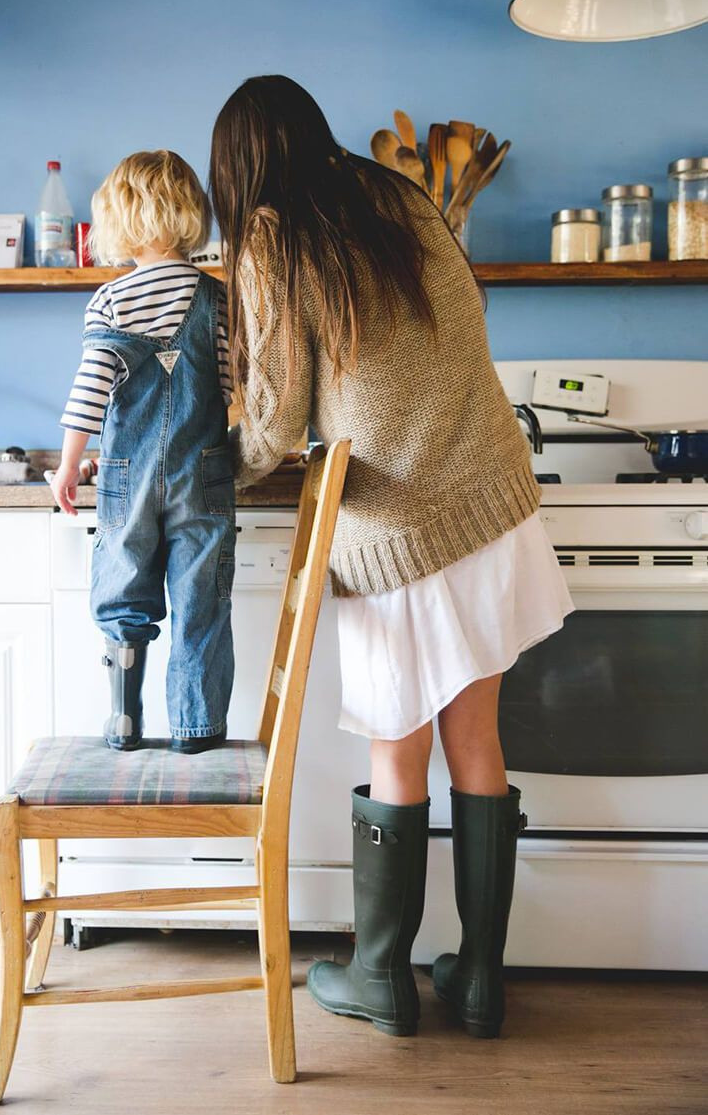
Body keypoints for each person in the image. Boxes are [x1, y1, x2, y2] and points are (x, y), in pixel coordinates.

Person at [209, 76, 573, 1039]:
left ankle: (381, 976)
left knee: (396, 749)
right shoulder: (399, 196)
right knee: (478, 744)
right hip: (491, 501)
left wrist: (216, 461)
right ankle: (480, 980)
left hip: (402, 528)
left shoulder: (271, 238)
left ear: (239, 167)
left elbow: (277, 417)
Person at [51, 150, 235, 754]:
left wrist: (69, 462)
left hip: (126, 474)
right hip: (205, 471)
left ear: (120, 221)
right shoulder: (219, 298)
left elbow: (90, 389)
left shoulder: (112, 298)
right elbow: (233, 389)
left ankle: (125, 722)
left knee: (124, 592)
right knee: (201, 603)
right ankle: (196, 732)